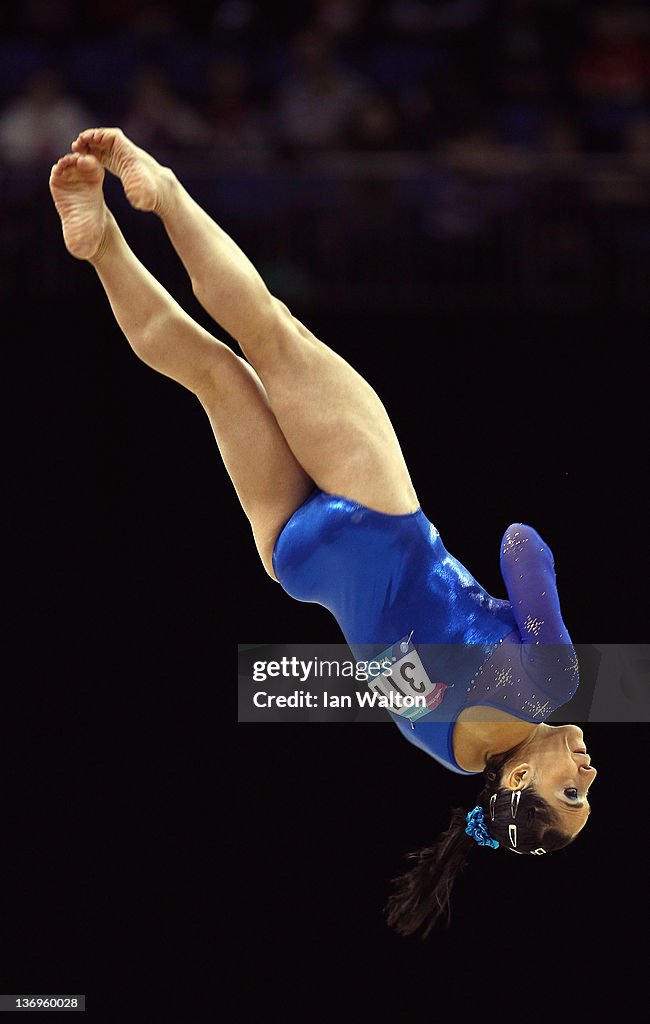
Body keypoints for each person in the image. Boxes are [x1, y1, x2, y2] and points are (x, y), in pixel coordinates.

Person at [49, 128, 597, 937]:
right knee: (211, 375)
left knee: (269, 331)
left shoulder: (545, 683)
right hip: (296, 562)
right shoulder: (440, 750)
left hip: (378, 517)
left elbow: (522, 542)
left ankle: (159, 189)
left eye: (572, 792)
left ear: (519, 777)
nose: (589, 770)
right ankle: (100, 247)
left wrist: (533, 613)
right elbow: (404, 651)